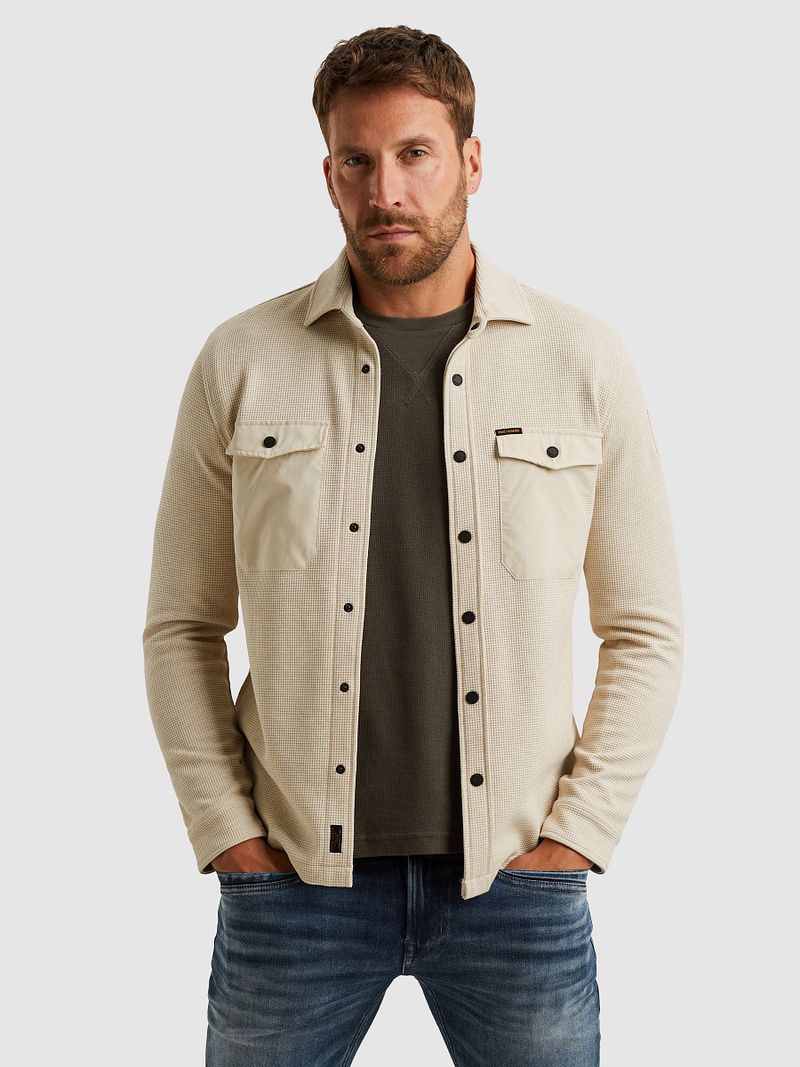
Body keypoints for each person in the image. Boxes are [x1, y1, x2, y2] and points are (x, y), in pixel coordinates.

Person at [142, 24, 683, 1067]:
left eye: (414, 153)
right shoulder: (242, 361)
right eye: (356, 160)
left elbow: (645, 627)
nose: (385, 190)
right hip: (291, 888)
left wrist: (576, 837)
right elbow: (181, 623)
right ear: (328, 176)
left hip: (515, 890)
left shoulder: (582, 360)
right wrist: (227, 834)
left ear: (471, 162)